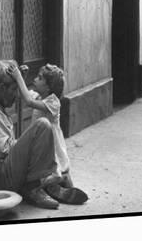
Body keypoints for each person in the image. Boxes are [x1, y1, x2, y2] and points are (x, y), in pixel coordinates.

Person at [0, 60, 62, 209]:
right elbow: (2, 151)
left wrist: (19, 78)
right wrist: (26, 145)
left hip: (0, 170)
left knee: (37, 135)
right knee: (42, 126)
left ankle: (37, 184)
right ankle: (33, 188)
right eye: (13, 89)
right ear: (2, 88)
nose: (17, 95)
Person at [8, 63, 88, 205]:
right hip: (42, 141)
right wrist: (22, 77)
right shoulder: (39, 96)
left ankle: (53, 186)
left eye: (39, 78)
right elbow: (24, 93)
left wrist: (18, 77)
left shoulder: (53, 102)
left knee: (56, 169)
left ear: (48, 87)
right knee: (50, 169)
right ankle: (56, 187)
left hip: (51, 143)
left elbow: (28, 100)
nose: (36, 79)